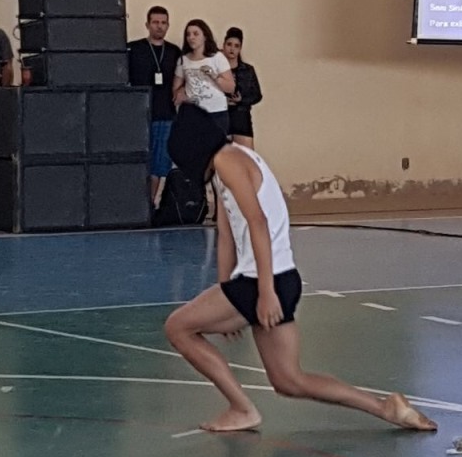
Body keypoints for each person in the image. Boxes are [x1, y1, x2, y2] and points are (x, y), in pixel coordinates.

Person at [165, 104, 438, 434]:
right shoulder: (231, 164)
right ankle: (385, 408)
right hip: (277, 279)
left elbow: (258, 222)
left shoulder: (228, 161)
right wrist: (226, 290)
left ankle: (241, 408)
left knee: (178, 327)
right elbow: (226, 235)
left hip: (263, 281)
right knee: (289, 381)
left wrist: (265, 292)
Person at [128, 6, 182, 204]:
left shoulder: (175, 52)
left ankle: (150, 203)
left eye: (163, 23)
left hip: (165, 114)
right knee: (137, 161)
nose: (159, 26)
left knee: (160, 163)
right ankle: (135, 203)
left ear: (168, 25)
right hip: (137, 115)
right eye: (155, 22)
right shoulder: (133, 49)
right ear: (147, 24)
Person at [172, 19, 234, 135]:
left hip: (216, 112)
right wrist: (181, 92)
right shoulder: (183, 59)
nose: (191, 37)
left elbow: (230, 87)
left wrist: (213, 75)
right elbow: (176, 87)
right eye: (188, 34)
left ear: (205, 36)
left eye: (195, 34)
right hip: (193, 113)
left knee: (216, 145)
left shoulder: (217, 57)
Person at [223, 26, 262, 148]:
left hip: (241, 117)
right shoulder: (217, 69)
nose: (232, 49)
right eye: (229, 44)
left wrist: (241, 100)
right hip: (222, 116)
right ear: (224, 45)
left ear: (240, 48)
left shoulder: (248, 70)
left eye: (236, 46)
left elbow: (257, 95)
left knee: (246, 155)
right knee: (222, 156)